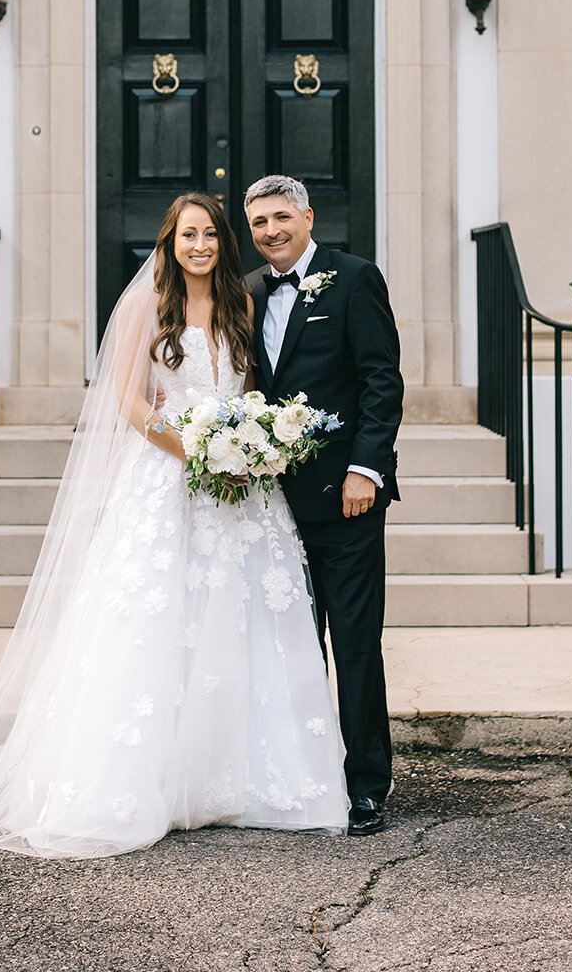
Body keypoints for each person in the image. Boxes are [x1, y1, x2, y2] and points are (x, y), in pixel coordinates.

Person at [0, 192, 348, 857]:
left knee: (239, 622)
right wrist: (199, 451)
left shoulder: (243, 305)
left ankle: (238, 780)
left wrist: (251, 447)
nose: (200, 245)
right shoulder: (151, 305)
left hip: (244, 495)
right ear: (170, 243)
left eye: (210, 234)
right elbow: (123, 399)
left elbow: (249, 391)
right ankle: (147, 781)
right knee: (157, 623)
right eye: (188, 236)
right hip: (167, 481)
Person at [244, 175, 403, 837]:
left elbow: (380, 379)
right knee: (290, 646)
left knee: (356, 645)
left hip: (347, 499)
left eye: (282, 217)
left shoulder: (354, 277)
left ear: (308, 216)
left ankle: (367, 782)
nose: (271, 231)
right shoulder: (248, 292)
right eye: (258, 223)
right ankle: (303, 776)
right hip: (272, 507)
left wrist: (366, 469)